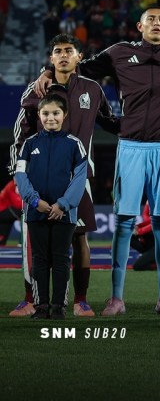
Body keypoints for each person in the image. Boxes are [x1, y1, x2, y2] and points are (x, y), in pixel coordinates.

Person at [32, 6, 160, 317]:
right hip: (129, 147)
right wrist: (48, 71)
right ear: (139, 26)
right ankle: (116, 298)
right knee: (125, 222)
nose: (156, 23)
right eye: (151, 19)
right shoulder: (118, 53)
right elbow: (79, 66)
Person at [10, 32, 119, 317]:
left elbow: (110, 121)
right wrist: (17, 171)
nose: (63, 55)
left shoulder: (93, 89)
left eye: (69, 50)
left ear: (79, 57)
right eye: (57, 50)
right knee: (34, 240)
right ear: (51, 58)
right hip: (39, 178)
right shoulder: (36, 89)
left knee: (79, 238)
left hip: (78, 179)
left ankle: (80, 300)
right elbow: (20, 133)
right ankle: (30, 299)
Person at [13, 92, 88, 320]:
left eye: (56, 113)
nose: (50, 118)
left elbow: (80, 178)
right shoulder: (29, 144)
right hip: (36, 211)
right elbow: (20, 175)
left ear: (64, 115)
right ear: (39, 115)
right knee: (40, 260)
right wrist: (35, 201)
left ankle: (58, 307)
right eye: (45, 113)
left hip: (63, 214)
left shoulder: (74, 144)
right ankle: (41, 306)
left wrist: (63, 204)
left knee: (61, 259)